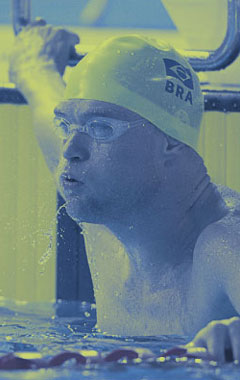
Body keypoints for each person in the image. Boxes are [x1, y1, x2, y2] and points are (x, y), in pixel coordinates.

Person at [8, 19, 240, 363]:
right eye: (67, 125)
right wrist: (36, 67)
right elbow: (45, 100)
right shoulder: (106, 210)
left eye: (101, 128)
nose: (71, 149)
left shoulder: (222, 247)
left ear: (171, 146)